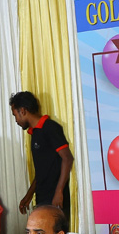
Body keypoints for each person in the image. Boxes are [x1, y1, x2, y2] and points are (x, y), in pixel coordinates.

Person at [11, 90, 73, 226]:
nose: (16, 120)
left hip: (55, 198)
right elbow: (42, 170)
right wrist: (29, 195)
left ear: (23, 111)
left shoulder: (50, 127)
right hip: (43, 197)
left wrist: (59, 192)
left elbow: (67, 158)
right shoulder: (35, 133)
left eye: (15, 115)